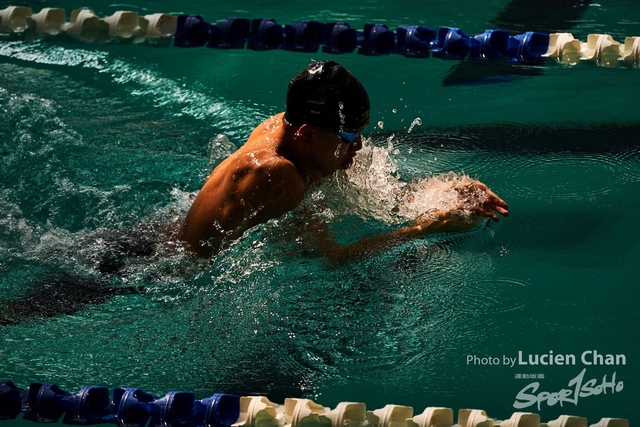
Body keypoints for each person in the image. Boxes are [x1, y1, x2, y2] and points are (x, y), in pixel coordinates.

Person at [180, 60, 509, 258]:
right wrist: (427, 227)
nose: (359, 146)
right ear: (306, 134)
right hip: (172, 273)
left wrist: (446, 191)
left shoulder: (292, 130)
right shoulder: (278, 177)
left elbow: (374, 194)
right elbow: (334, 259)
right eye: (349, 137)